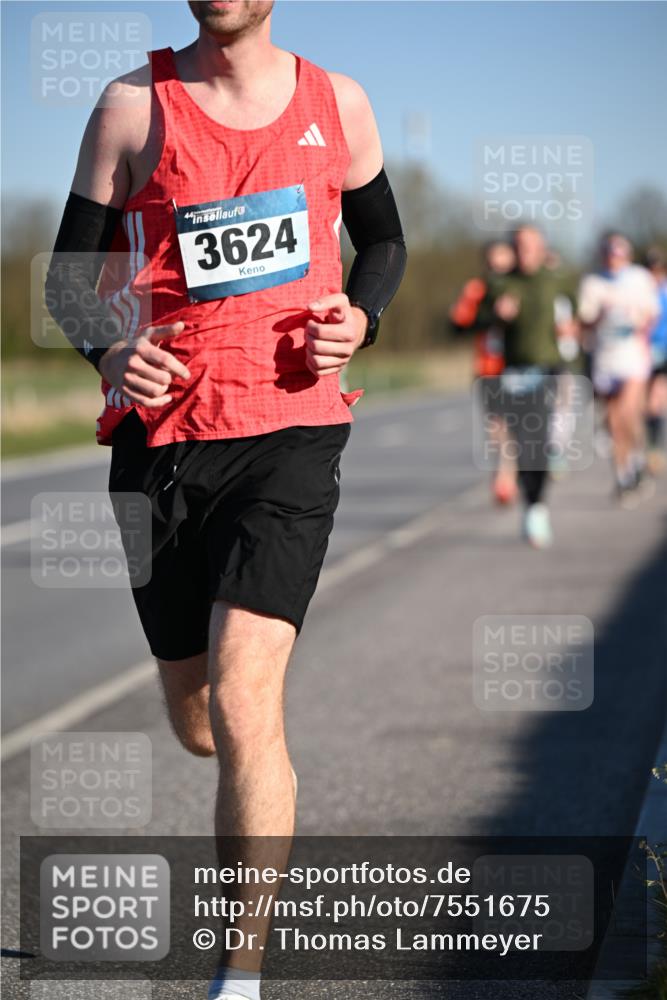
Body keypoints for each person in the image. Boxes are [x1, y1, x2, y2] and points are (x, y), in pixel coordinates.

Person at [45, 3, 406, 998]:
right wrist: (108, 350)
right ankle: (251, 774)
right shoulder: (131, 106)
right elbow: (67, 280)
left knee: (247, 704)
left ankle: (238, 973)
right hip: (159, 446)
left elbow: (382, 240)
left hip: (292, 431)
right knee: (200, 718)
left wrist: (361, 316)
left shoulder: (338, 103)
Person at [480, 225, 576, 547]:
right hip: (513, 372)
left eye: (531, 245)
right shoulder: (501, 283)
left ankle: (537, 506)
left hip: (548, 370)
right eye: (520, 245)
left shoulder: (557, 280)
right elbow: (474, 322)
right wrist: (497, 315)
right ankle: (532, 503)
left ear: (542, 247)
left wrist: (574, 326)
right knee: (523, 445)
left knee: (539, 441)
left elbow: (579, 312)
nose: (525, 251)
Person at [578, 233, 659, 505]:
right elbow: (584, 321)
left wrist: (639, 321)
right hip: (605, 359)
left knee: (628, 413)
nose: (614, 260)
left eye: (619, 255)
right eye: (609, 255)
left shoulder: (640, 278)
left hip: (633, 356)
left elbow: (653, 314)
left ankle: (637, 459)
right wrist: (600, 315)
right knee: (614, 422)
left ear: (627, 256)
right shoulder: (592, 283)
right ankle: (624, 475)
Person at [450, 239, 518, 504]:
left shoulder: (522, 287)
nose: (499, 264)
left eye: (504, 258)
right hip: (489, 367)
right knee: (497, 425)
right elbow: (459, 324)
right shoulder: (477, 289)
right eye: (494, 258)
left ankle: (508, 475)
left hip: (521, 365)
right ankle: (505, 475)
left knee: (517, 424)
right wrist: (493, 317)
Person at [645, 246, 667, 474]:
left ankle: (654, 448)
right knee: (645, 404)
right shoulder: (642, 291)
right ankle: (648, 447)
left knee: (656, 401)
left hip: (663, 350)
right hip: (643, 351)